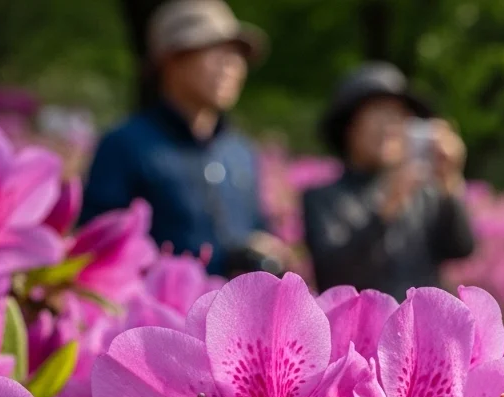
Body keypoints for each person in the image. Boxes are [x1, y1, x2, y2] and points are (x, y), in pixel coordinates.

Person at [81, 0, 291, 276]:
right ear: (171, 59)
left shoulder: (241, 151)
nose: (231, 65)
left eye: (236, 54)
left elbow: (256, 226)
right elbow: (100, 248)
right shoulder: (123, 146)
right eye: (216, 51)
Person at [302, 63, 473, 300]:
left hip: (417, 323)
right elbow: (336, 273)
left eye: (398, 115)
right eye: (378, 114)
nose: (391, 126)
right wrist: (387, 208)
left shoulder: (425, 194)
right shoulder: (323, 198)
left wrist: (450, 180)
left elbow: (461, 248)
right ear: (349, 127)